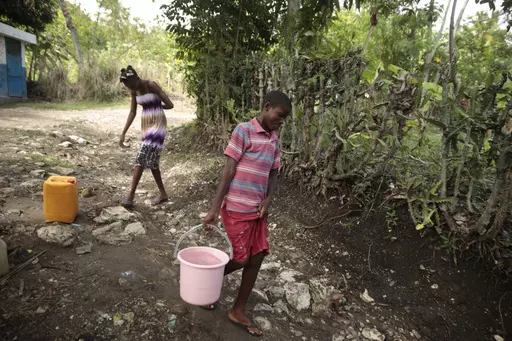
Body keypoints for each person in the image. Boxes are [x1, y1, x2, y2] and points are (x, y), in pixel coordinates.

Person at [202, 90, 291, 337]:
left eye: (284, 120)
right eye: (279, 115)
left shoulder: (274, 139)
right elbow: (228, 170)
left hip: (257, 210)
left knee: (258, 256)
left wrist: (268, 199)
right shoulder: (243, 131)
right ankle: (204, 283)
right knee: (241, 258)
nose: (280, 122)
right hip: (237, 207)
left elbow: (273, 172)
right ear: (266, 106)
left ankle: (238, 310)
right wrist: (213, 210)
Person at [118, 65, 174, 208]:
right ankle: (163, 194)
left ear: (137, 77)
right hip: (146, 125)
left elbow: (170, 104)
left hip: (158, 124)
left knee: (142, 155)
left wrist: (156, 106)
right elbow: (132, 112)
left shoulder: (151, 85)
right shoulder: (133, 91)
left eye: (133, 84)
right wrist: (123, 132)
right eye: (129, 86)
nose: (132, 87)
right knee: (152, 160)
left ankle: (130, 196)